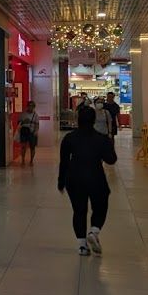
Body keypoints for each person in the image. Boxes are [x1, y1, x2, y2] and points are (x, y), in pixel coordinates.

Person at [58, 108, 117, 255]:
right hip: (95, 177)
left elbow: (64, 162)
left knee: (79, 211)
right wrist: (108, 145)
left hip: (74, 178)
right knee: (100, 206)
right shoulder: (101, 139)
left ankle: (82, 246)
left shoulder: (69, 138)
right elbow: (111, 160)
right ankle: (94, 231)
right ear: (94, 120)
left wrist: (61, 181)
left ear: (78, 119)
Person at [17, 101, 40, 166]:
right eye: (29, 106)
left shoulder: (35, 115)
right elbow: (18, 123)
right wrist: (24, 122)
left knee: (32, 147)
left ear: (34, 107)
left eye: (32, 106)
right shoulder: (23, 114)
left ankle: (31, 161)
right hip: (24, 131)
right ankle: (23, 160)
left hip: (32, 132)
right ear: (27, 106)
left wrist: (36, 131)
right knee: (23, 146)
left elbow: (37, 124)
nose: (30, 107)